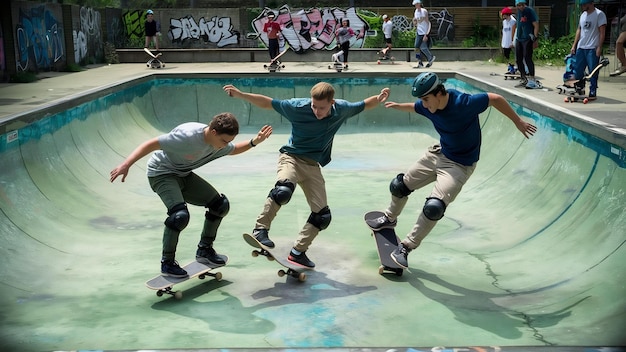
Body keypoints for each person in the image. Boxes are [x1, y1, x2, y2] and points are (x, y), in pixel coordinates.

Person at [368, 72, 537, 269]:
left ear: (439, 93)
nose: (425, 105)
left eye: (426, 100)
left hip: (459, 165)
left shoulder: (464, 103)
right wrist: (397, 106)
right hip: (438, 154)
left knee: (434, 207)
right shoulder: (427, 106)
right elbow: (415, 107)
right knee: (399, 186)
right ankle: (389, 218)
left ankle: (406, 247)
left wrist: (517, 121)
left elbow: (495, 98)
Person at [223, 83, 390, 268]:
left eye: (322, 108)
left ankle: (298, 252)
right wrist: (240, 95)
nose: (317, 111)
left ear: (332, 103)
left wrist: (378, 98)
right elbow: (268, 103)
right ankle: (260, 229)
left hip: (313, 165)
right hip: (291, 158)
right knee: (283, 191)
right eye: (314, 106)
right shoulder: (297, 107)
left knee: (322, 216)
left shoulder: (341, 109)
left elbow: (363, 104)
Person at [110, 113, 272, 277]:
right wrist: (126, 164)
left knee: (220, 205)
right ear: (213, 132)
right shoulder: (186, 137)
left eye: (227, 142)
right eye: (224, 141)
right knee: (179, 216)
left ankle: (204, 250)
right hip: (161, 173)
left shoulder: (218, 144)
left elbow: (235, 149)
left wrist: (254, 142)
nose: (225, 146)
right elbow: (151, 144)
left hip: (183, 174)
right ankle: (167, 263)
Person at [570, 0, 606, 98]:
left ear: (591, 3)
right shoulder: (582, 15)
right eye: (582, 5)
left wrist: (599, 47)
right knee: (578, 69)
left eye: (584, 5)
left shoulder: (599, 14)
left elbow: (602, 32)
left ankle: (593, 91)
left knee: (593, 71)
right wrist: (574, 45)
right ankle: (580, 88)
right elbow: (579, 30)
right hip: (581, 47)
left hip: (592, 47)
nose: (583, 7)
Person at [511, 0, 539, 88]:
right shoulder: (518, 12)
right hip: (519, 38)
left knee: (527, 58)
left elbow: (536, 25)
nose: (521, 7)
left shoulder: (529, 11)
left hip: (528, 38)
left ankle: (532, 78)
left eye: (522, 5)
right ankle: (523, 78)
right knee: (518, 59)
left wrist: (535, 38)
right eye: (519, 5)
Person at [412, 0, 435, 68]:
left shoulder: (424, 11)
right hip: (419, 32)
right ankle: (420, 62)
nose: (416, 6)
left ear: (419, 4)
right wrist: (414, 22)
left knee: (423, 48)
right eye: (415, 5)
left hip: (424, 32)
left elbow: (428, 23)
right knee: (416, 47)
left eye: (417, 4)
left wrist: (426, 34)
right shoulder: (416, 11)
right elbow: (416, 20)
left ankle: (430, 57)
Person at [501, 7, 517, 74]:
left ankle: (514, 67)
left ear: (507, 14)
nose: (503, 16)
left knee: (513, 55)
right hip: (505, 42)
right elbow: (504, 32)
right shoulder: (504, 22)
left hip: (511, 42)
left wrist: (513, 41)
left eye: (504, 15)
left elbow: (514, 32)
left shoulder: (513, 21)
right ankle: (510, 67)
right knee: (506, 55)